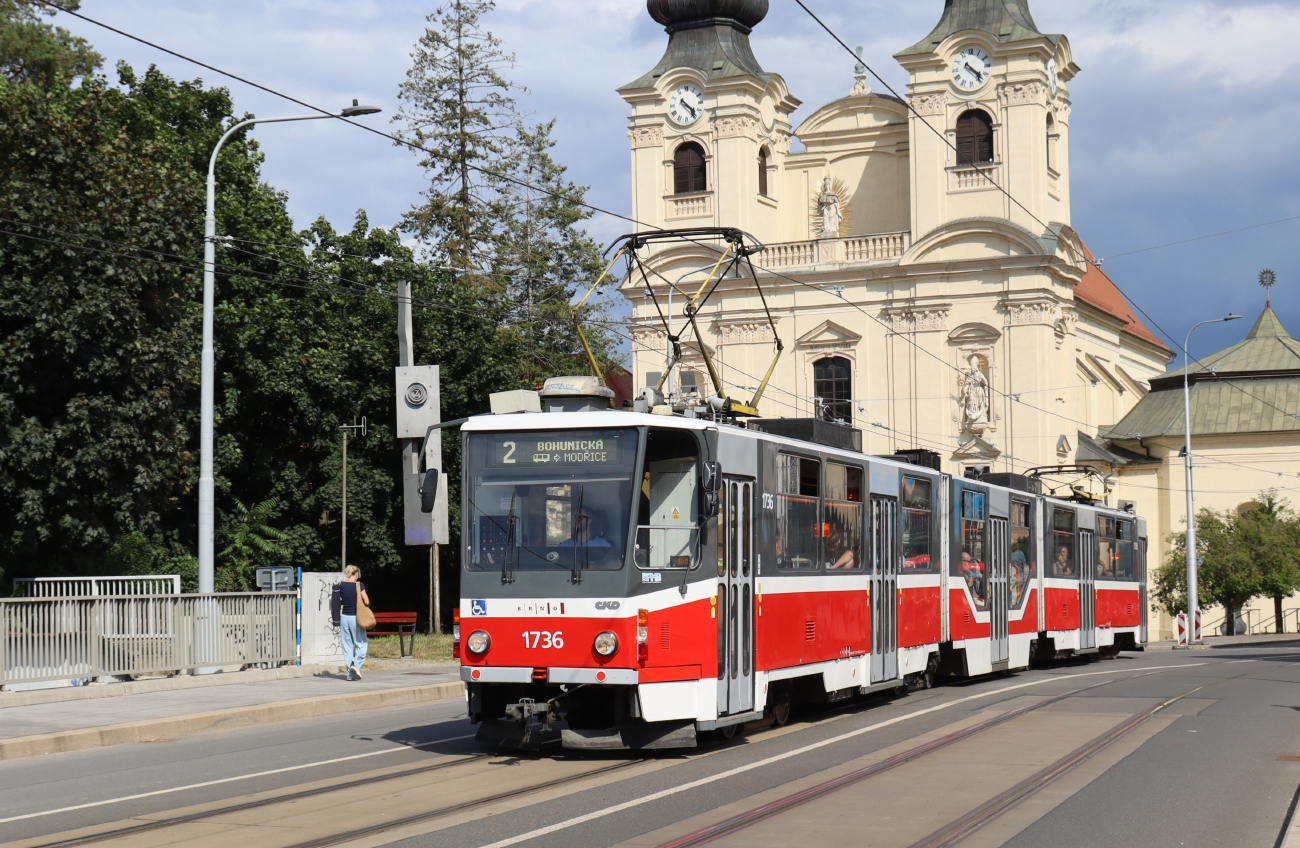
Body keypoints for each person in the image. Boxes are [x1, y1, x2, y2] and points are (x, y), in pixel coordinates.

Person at [339, 564, 370, 681]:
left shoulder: (341, 585)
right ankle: (355, 666)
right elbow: (366, 601)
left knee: (347, 645)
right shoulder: (359, 585)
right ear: (356, 574)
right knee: (361, 644)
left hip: (344, 617)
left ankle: (350, 674)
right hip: (356, 618)